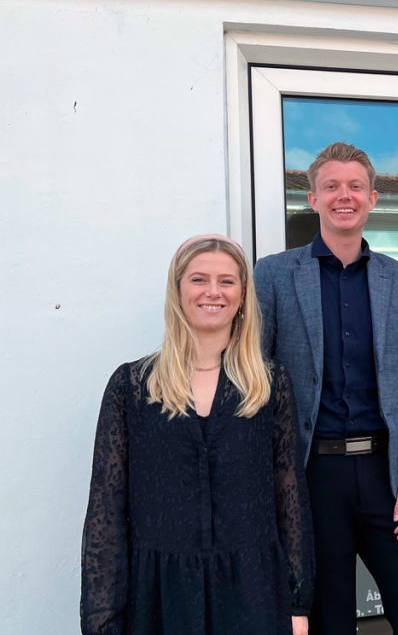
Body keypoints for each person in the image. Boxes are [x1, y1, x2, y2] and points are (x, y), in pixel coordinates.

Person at [254, 142, 398, 635]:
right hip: (313, 478)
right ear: (313, 199)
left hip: (391, 479)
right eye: (332, 186)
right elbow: (256, 380)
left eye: (355, 186)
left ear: (373, 198)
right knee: (327, 623)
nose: (345, 195)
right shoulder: (274, 275)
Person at [81, 235, 314, 635]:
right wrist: (102, 619)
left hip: (254, 592)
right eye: (199, 279)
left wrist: (297, 603)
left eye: (227, 281)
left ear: (242, 296)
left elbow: (288, 494)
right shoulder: (132, 386)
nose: (213, 292)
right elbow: (106, 508)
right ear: (177, 291)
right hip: (160, 598)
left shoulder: (270, 383)